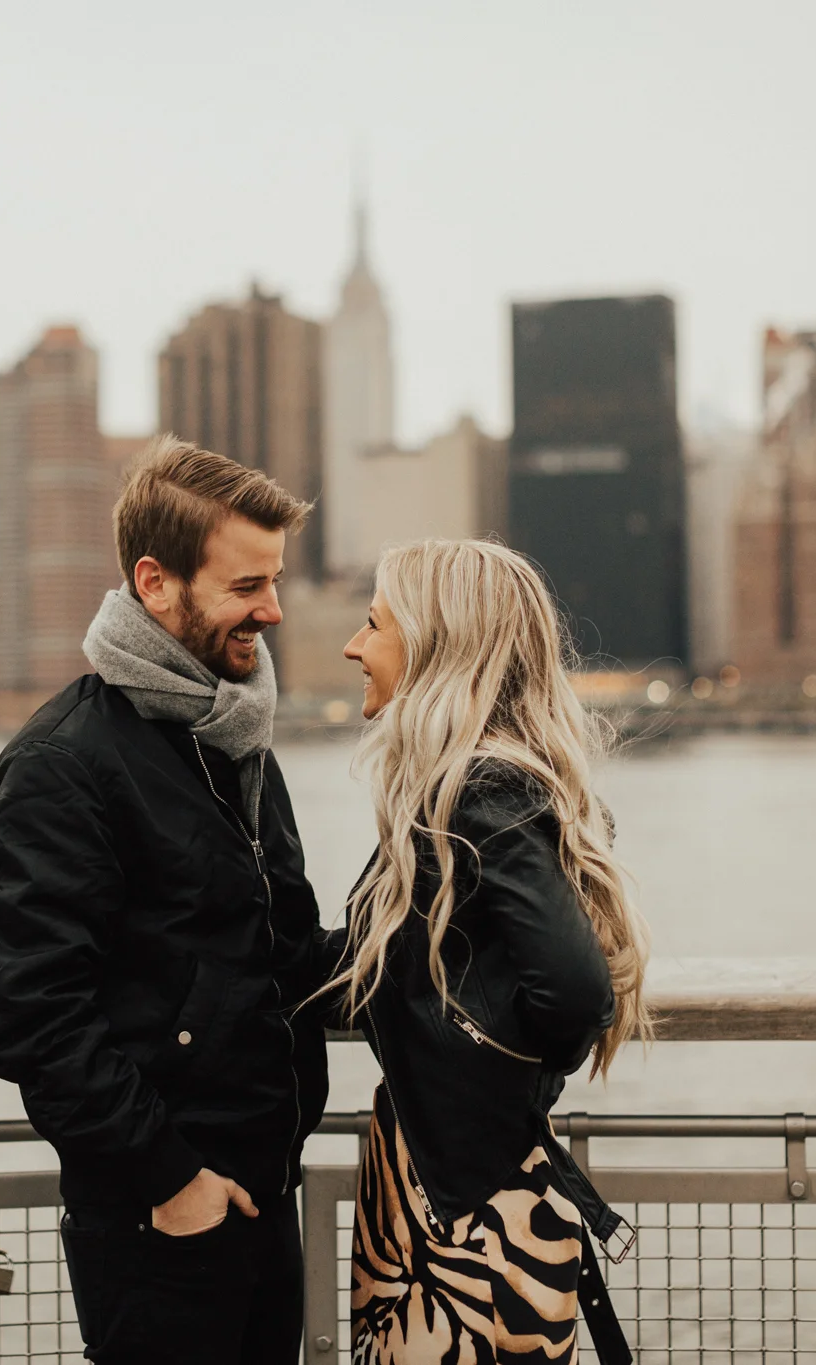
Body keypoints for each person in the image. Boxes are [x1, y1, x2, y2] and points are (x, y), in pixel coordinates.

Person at [0, 435, 331, 1365]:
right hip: (160, 1222)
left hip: (260, 1194)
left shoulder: (237, 736)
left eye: (275, 580)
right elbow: (31, 1018)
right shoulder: (62, 765)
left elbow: (280, 950)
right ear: (155, 581)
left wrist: (437, 941)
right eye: (247, 586)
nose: (275, 609)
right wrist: (173, 1182)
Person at [330, 538, 652, 1365]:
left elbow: (576, 997)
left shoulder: (483, 791)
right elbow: (387, 971)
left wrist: (473, 1063)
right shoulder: (460, 794)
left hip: (469, 1231)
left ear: (438, 645)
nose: (353, 647)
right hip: (439, 1199)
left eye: (373, 625)